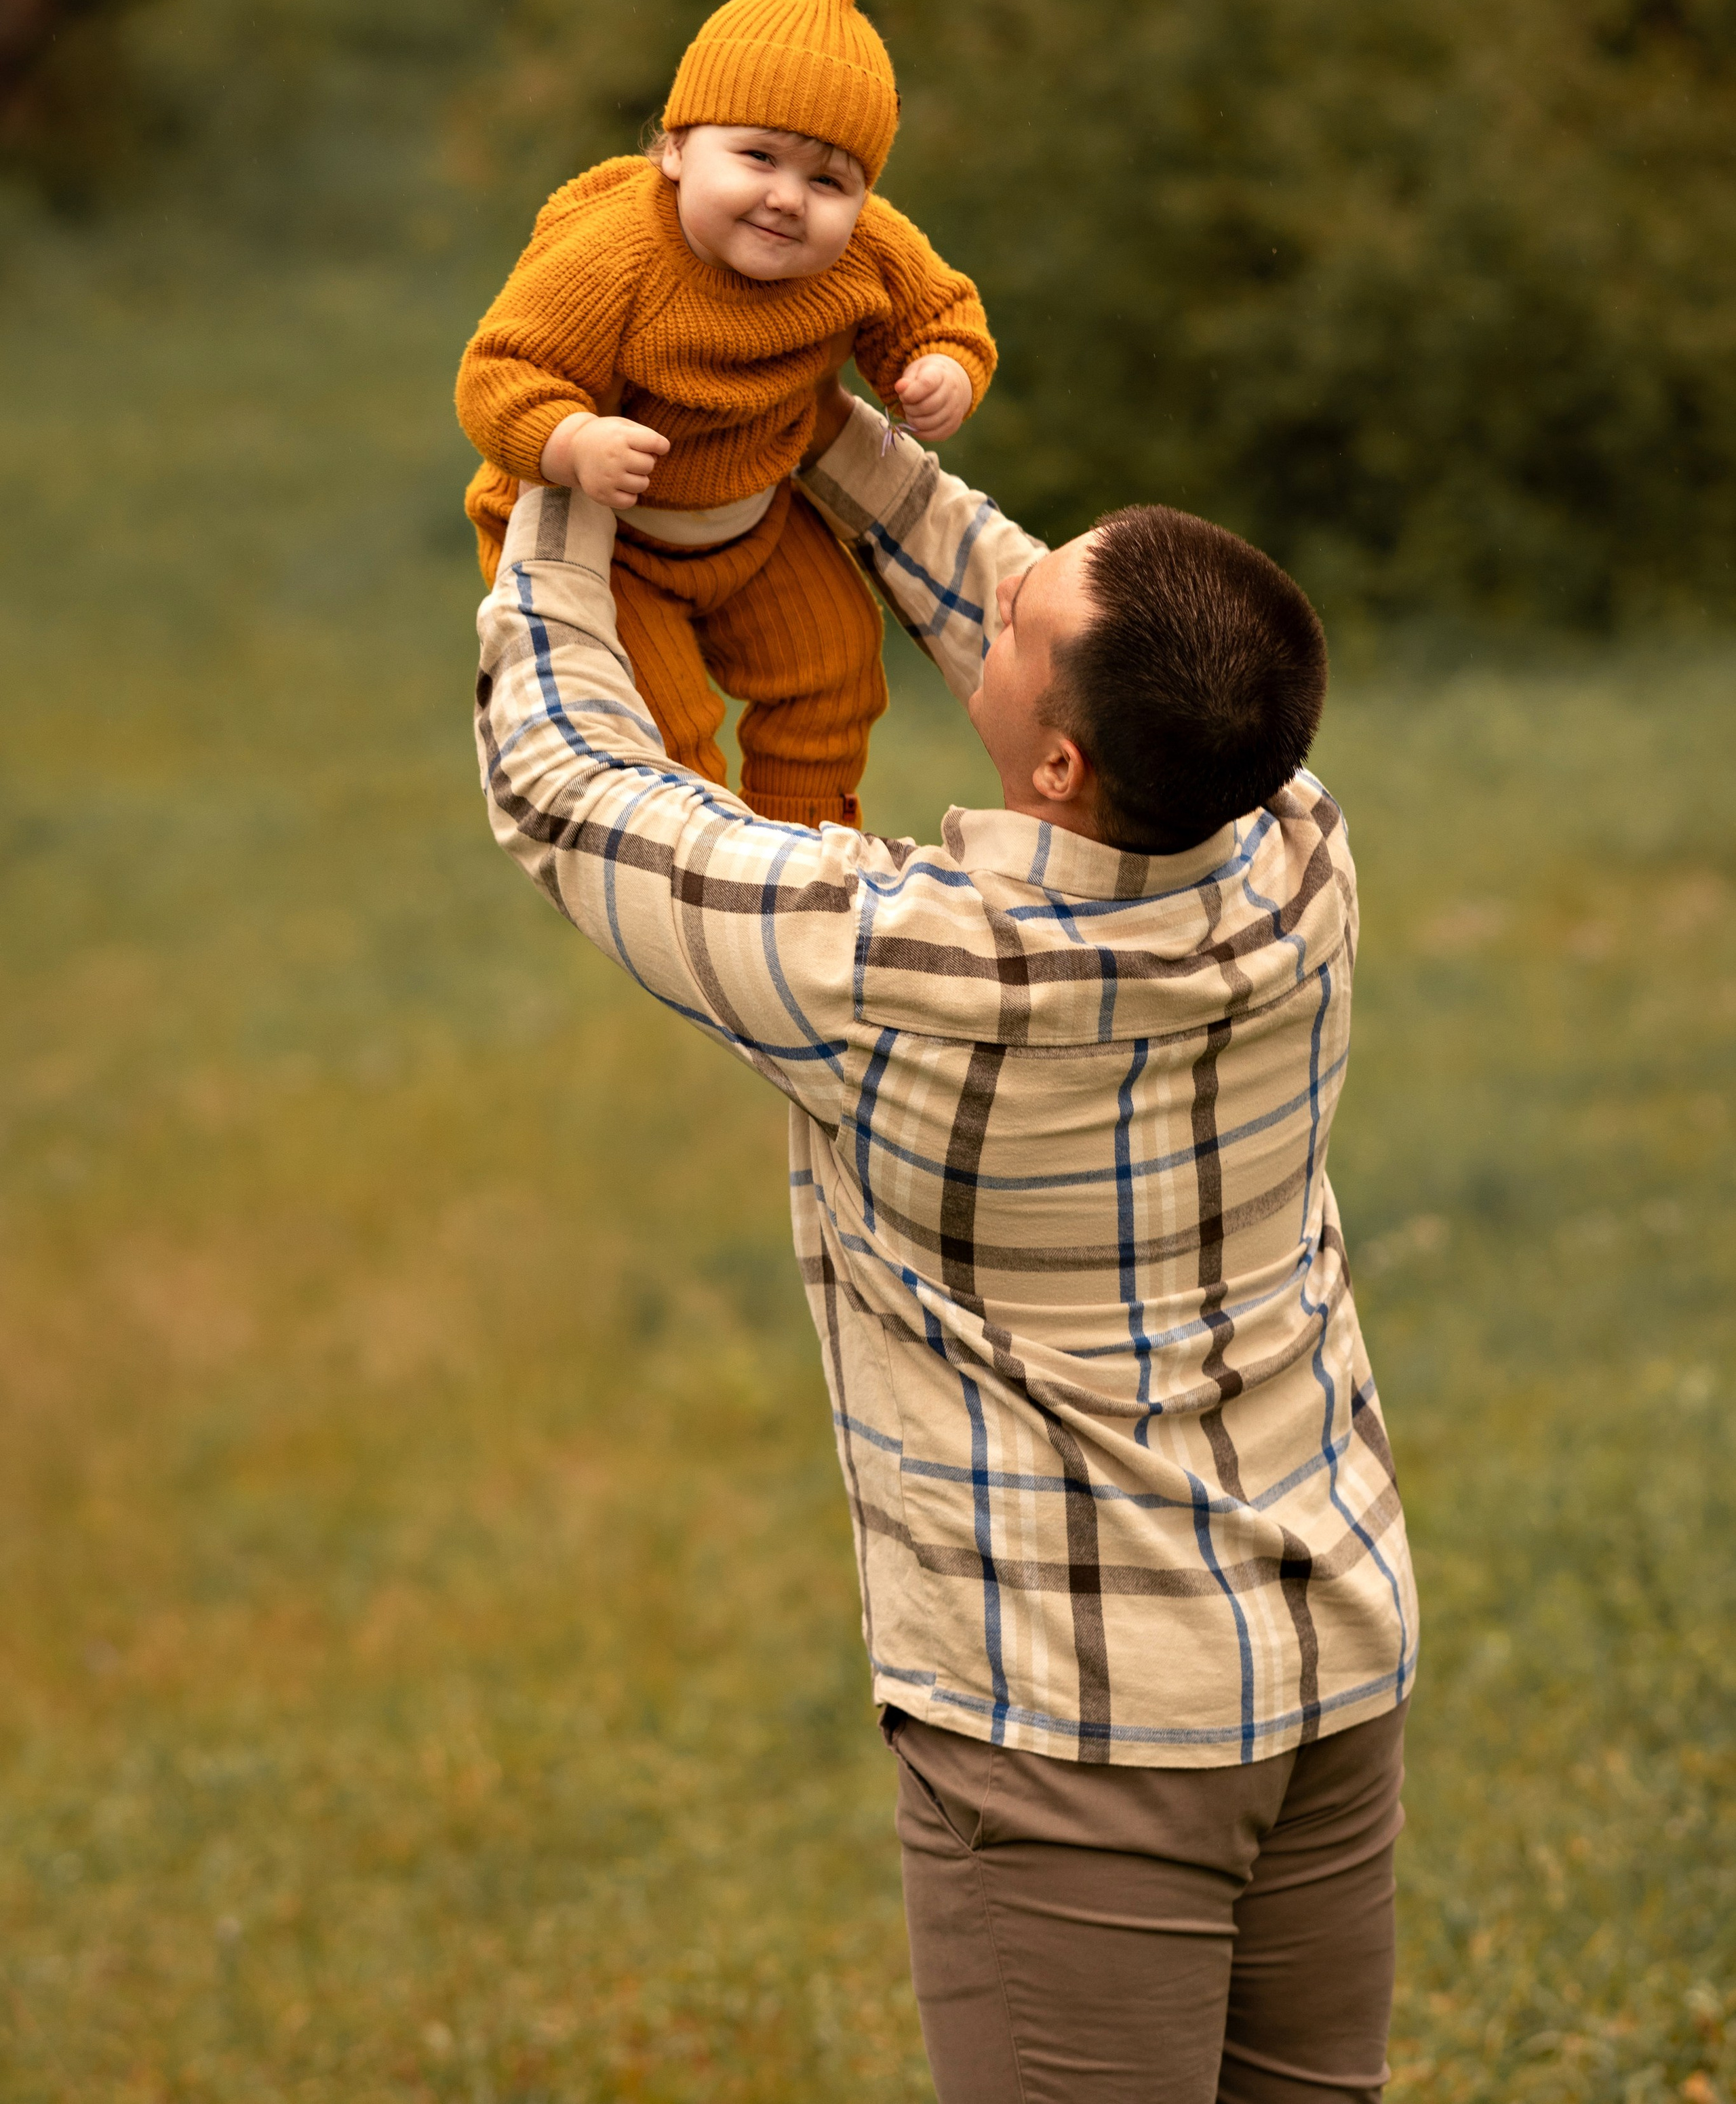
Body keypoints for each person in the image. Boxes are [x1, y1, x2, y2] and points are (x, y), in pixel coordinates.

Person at [475, 380, 1419, 2104]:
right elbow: (1005, 583)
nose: (991, 586)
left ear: (1055, 763)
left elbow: (566, 788)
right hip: (1329, 1658)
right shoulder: (1293, 850)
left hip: (1074, 1736)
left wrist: (554, 484)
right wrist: (795, 411)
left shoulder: (902, 971)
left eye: (1020, 617)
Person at [456, 0, 995, 830]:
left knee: (835, 668)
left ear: (863, 197)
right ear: (675, 149)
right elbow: (502, 370)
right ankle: (708, 877)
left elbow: (941, 310)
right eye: (758, 157)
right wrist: (574, 440)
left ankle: (806, 857)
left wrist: (943, 367)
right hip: (612, 538)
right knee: (662, 729)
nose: (790, 195)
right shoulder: (617, 258)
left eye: (831, 179)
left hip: (756, 516)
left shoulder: (866, 247)